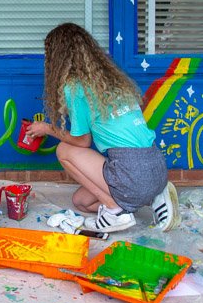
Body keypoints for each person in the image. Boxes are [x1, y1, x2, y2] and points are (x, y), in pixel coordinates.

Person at [25, 23, 180, 233]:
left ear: (58, 57)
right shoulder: (110, 80)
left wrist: (47, 128)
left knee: (64, 150)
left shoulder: (74, 87)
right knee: (81, 201)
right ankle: (155, 197)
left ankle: (116, 211)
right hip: (156, 168)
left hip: (132, 172)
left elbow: (82, 142)